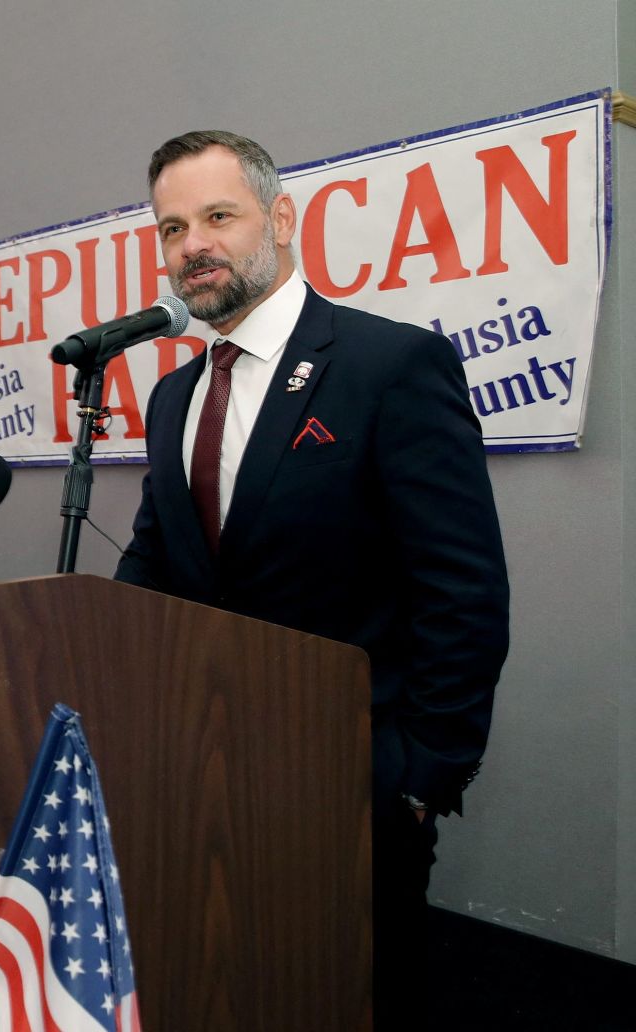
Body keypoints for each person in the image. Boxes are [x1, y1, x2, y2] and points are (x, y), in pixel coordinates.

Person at [114, 130, 510, 1028]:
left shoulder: (388, 365)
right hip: (203, 775)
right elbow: (156, 563)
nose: (193, 246)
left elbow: (463, 589)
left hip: (353, 783)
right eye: (172, 228)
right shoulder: (174, 395)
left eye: (219, 216)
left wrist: (417, 776)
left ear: (281, 218)